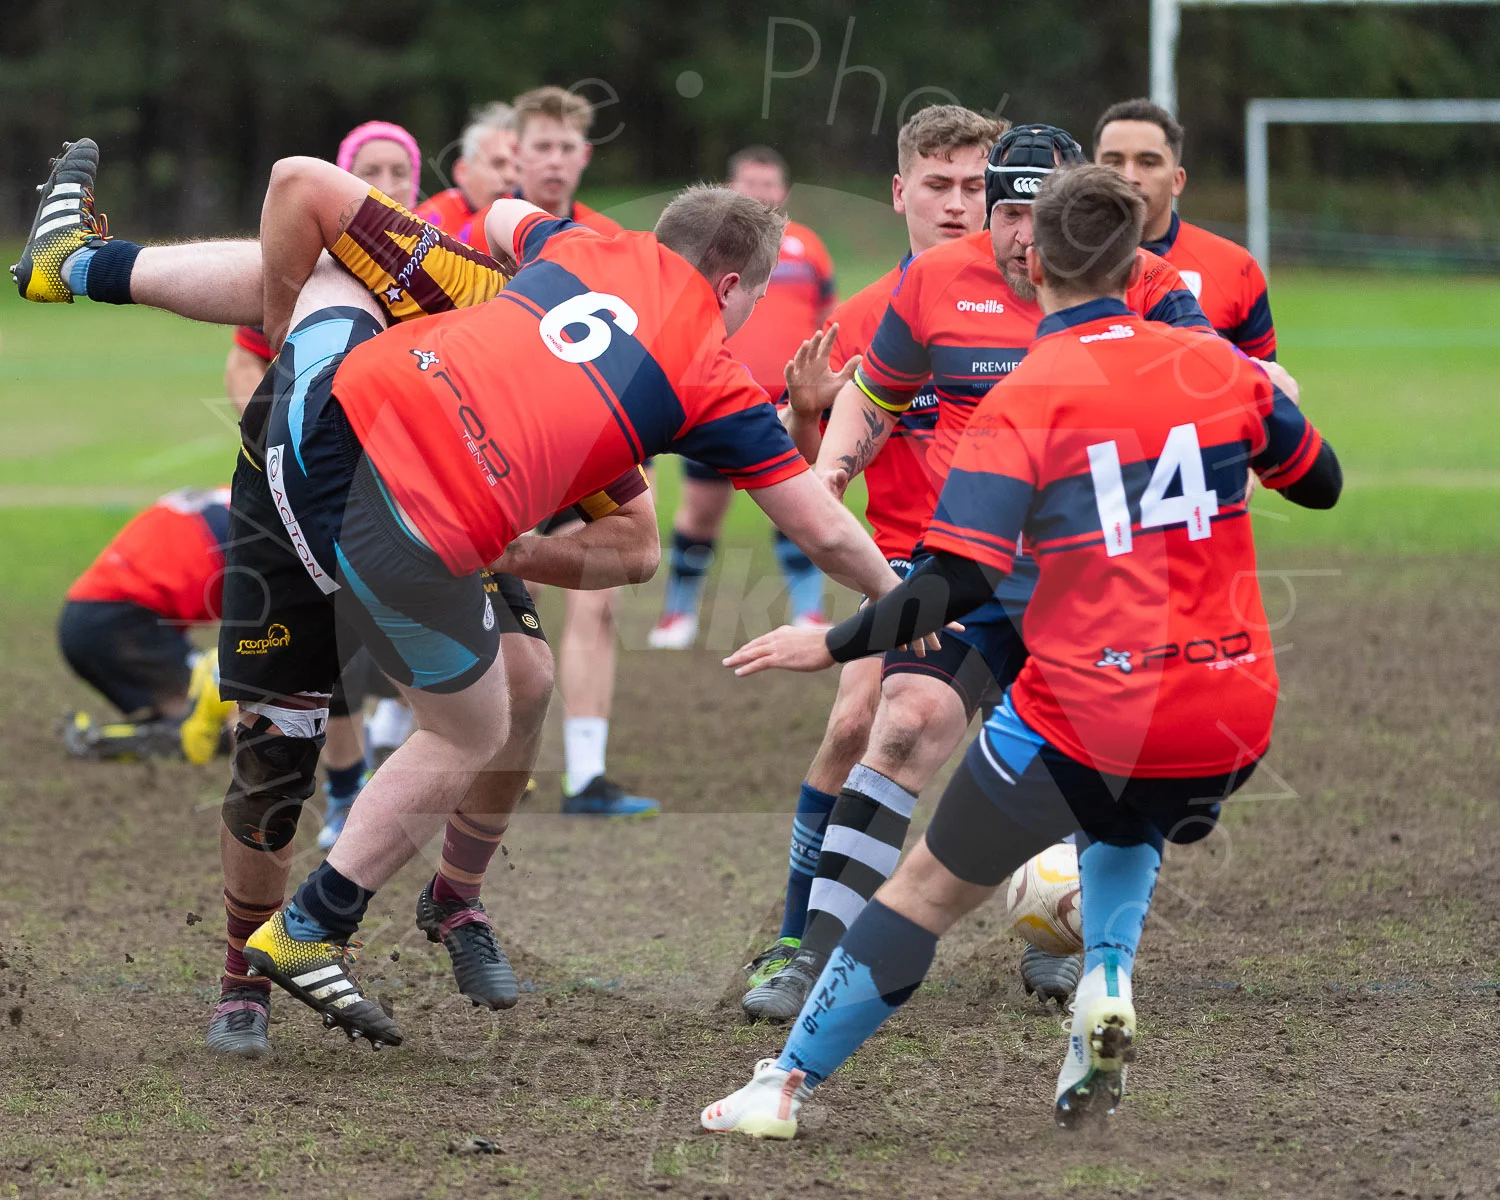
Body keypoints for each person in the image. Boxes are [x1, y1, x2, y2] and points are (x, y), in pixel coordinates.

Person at [12, 141, 911, 1051]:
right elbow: (827, 531)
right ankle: (272, 956)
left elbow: (635, 537)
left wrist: (514, 533)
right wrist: (910, 599)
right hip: (364, 477)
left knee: (520, 681)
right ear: (728, 289)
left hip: (367, 430)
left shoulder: (569, 249)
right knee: (317, 743)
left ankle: (451, 900)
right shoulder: (698, 370)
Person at [702, 163, 1342, 1138]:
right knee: (1126, 818)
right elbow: (1321, 481)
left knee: (923, 893)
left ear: (1033, 259)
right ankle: (1109, 979)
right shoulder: (1216, 366)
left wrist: (827, 641)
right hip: (1234, 711)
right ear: (1140, 262)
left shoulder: (1025, 397)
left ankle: (782, 1086)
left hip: (1097, 705)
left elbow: (952, 582)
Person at [741, 124, 1215, 1022]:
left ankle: (1065, 944)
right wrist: (831, 473)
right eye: (1004, 212)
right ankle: (816, 959)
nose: (1017, 236)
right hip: (968, 566)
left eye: (1036, 214)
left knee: (1086, 763)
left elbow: (1219, 378)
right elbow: (874, 397)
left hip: (1095, 580)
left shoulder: (1141, 282)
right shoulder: (929, 284)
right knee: (898, 720)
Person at [737, 105, 1007, 1004]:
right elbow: (816, 496)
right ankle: (796, 941)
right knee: (860, 724)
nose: (959, 205)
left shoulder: (1037, 309)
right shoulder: (863, 318)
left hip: (1027, 564)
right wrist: (811, 414)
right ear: (900, 194)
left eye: (977, 186)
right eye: (938, 185)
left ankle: (1062, 930)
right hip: (904, 564)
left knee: (1058, 728)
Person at [223, 121, 427, 849]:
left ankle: (418, 777)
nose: (388, 183)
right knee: (325, 651)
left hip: (408, 484)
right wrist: (283, 428)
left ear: (417, 182)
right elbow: (250, 353)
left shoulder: (430, 264)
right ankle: (345, 789)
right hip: (316, 476)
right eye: (370, 169)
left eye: (398, 171)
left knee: (444, 653)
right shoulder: (313, 261)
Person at [649, 146, 837, 650]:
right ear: (729, 187)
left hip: (789, 403)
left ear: (785, 191)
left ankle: (809, 612)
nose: (761, 193)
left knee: (799, 501)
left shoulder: (810, 249)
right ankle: (678, 614)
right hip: (716, 398)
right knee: (700, 510)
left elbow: (829, 320)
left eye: (770, 183)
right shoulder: (710, 250)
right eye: (750, 183)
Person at [57, 487, 236, 764]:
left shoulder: (236, 496)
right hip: (122, 621)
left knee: (188, 719)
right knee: (231, 706)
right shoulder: (267, 525)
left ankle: (105, 740)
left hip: (85, 616)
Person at [1094, 98, 1276, 357]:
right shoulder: (1057, 267)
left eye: (1148, 162)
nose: (1129, 177)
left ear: (1177, 181)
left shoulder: (1236, 269)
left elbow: (1262, 386)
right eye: (1113, 162)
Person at [414, 102, 520, 244]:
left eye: (518, 167)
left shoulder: (530, 217)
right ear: (462, 171)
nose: (510, 176)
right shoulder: (425, 227)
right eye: (498, 164)